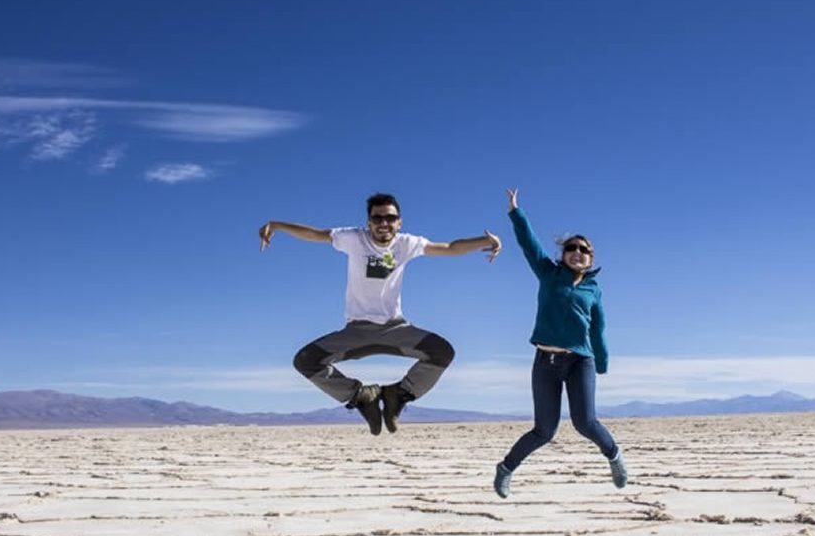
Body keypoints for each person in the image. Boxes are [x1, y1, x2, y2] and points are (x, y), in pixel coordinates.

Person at [259, 192, 501, 435]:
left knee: (442, 352)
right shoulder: (353, 238)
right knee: (305, 360)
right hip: (357, 331)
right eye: (377, 218)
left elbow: (449, 248)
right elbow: (314, 234)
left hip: (395, 329)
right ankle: (362, 396)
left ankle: (398, 394)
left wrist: (485, 241)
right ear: (369, 222)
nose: (384, 223)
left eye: (390, 218)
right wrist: (277, 225)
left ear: (399, 222)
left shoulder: (407, 243)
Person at [493, 188, 627, 498]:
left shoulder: (593, 290)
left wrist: (603, 363)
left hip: (580, 361)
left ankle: (614, 456)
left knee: (586, 423)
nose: (577, 252)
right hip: (545, 362)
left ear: (591, 258)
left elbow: (599, 328)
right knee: (545, 430)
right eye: (572, 247)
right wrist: (516, 212)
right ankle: (506, 468)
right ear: (563, 253)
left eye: (584, 249)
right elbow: (529, 244)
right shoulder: (548, 274)